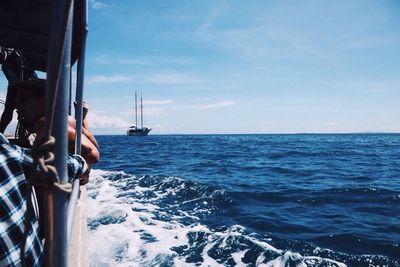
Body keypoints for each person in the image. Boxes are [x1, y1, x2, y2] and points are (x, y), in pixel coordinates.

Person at [0, 132, 91, 266]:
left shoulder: (61, 127)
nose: (20, 110)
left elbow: (91, 153)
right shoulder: (8, 152)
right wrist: (81, 163)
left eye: (22, 109)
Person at [17, 78, 99, 164]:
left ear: (46, 100)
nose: (18, 107)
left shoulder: (45, 123)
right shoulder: (68, 119)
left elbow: (91, 153)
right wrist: (82, 118)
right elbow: (95, 148)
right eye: (17, 102)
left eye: (24, 100)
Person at [0, 47, 37, 133]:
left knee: (25, 112)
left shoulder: (15, 56)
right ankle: (0, 133)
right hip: (13, 87)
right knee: (8, 112)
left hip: (27, 85)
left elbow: (29, 71)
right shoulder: (5, 65)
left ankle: (31, 133)